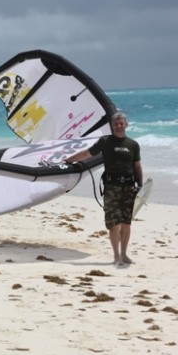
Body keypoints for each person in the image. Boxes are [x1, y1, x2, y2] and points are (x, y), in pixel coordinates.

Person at [65, 112, 143, 265]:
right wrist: (69, 159)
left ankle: (124, 254)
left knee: (126, 223)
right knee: (113, 223)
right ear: (112, 126)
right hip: (111, 187)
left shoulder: (133, 144)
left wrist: (140, 185)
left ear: (126, 124)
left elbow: (137, 166)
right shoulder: (105, 142)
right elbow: (87, 153)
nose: (118, 126)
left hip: (128, 187)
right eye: (115, 124)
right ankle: (116, 257)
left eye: (121, 123)